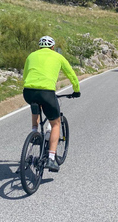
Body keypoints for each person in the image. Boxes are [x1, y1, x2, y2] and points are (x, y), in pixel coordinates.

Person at [22, 35, 80, 172]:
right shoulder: (58, 57)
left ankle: (34, 132)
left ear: (39, 47)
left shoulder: (31, 56)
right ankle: (51, 158)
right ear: (53, 47)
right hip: (47, 93)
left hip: (28, 91)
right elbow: (71, 74)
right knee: (56, 123)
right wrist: (76, 90)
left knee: (35, 105)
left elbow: (25, 75)